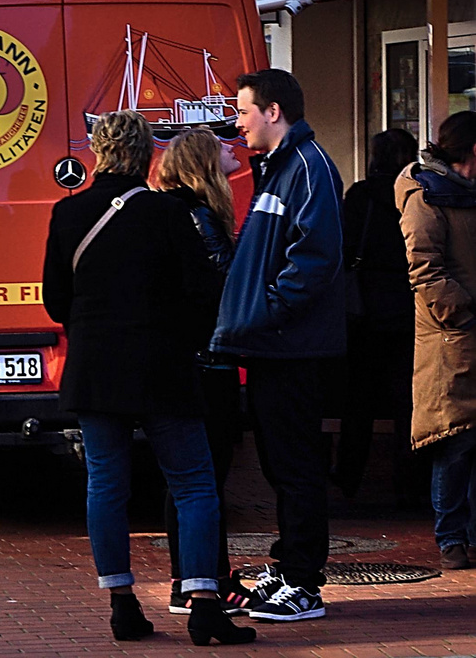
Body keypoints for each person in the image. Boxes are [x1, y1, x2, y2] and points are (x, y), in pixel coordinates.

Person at [42, 111, 252, 646]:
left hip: (95, 368)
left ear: (96, 151)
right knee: (194, 483)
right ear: (148, 153)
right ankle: (205, 606)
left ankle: (122, 604)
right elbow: (202, 294)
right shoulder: (165, 213)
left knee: (106, 486)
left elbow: (55, 301)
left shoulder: (68, 214)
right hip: (163, 366)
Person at [212, 69, 344, 622]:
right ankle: (289, 567)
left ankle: (304, 584)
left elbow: (316, 257)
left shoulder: (308, 168)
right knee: (279, 465)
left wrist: (267, 310)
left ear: (273, 111)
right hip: (276, 345)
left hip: (293, 347)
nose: (237, 122)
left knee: (295, 466)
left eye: (243, 110)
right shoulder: (280, 168)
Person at [153, 128, 257, 615]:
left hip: (188, 359)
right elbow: (223, 287)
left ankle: (196, 575)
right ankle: (201, 579)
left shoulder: (180, 210)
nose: (233, 146)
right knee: (203, 477)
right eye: (221, 145)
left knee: (192, 479)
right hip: (206, 361)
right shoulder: (199, 216)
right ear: (204, 162)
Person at [396, 110, 476, 572]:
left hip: (460, 329)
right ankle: (451, 538)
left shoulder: (463, 191)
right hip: (451, 336)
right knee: (454, 439)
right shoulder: (426, 193)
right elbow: (425, 267)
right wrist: (462, 310)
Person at [335, 129, 422, 503]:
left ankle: (350, 475)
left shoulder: (361, 196)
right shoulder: (418, 196)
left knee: (359, 400)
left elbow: (344, 245)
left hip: (365, 308)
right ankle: (410, 477)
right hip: (408, 306)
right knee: (408, 399)